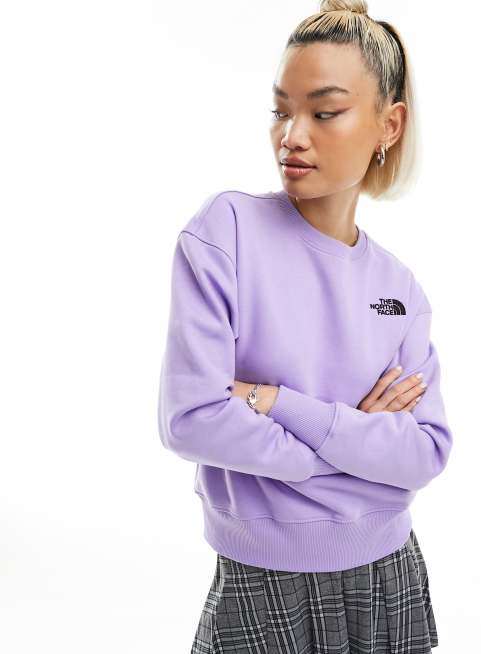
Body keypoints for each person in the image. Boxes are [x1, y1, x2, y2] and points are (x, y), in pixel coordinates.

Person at [157, 0, 453, 651]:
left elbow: (423, 455)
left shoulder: (398, 290)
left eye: (324, 112)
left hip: (387, 576)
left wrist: (273, 402)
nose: (291, 135)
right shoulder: (226, 233)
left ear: (388, 124)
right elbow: (191, 419)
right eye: (280, 110)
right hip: (260, 580)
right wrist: (355, 443)